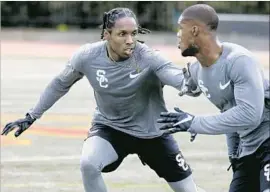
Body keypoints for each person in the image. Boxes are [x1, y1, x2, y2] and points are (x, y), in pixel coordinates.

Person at [1, 7, 201, 192]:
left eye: (134, 33)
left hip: (153, 134)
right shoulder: (87, 56)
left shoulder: (149, 58)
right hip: (110, 128)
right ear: (107, 35)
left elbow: (181, 81)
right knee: (88, 164)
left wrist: (191, 83)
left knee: (188, 190)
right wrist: (31, 116)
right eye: (122, 34)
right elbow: (60, 84)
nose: (130, 40)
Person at [157, 4, 270, 192]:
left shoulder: (238, 61)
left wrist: (195, 122)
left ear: (194, 30)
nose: (177, 34)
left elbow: (250, 114)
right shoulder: (196, 70)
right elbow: (184, 84)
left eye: (180, 28)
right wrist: (147, 64)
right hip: (248, 150)